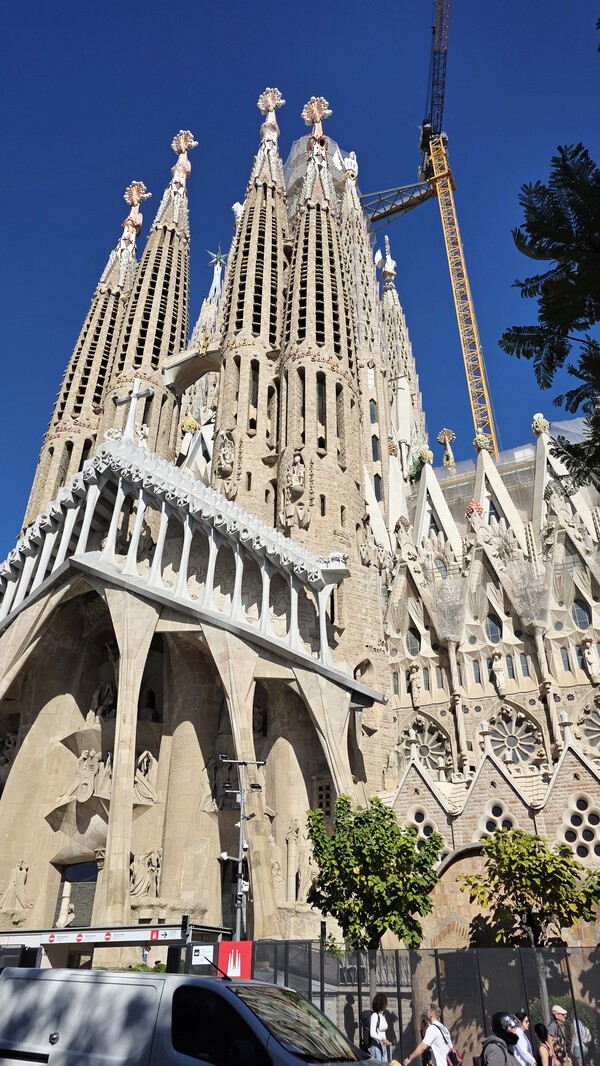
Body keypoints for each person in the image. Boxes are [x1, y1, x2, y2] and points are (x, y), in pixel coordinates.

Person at [370, 993, 391, 1061]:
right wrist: (382, 1039)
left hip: (383, 1046)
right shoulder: (375, 1015)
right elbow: (372, 1033)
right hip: (377, 1046)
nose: (386, 1005)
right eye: (385, 1003)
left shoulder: (382, 1015)